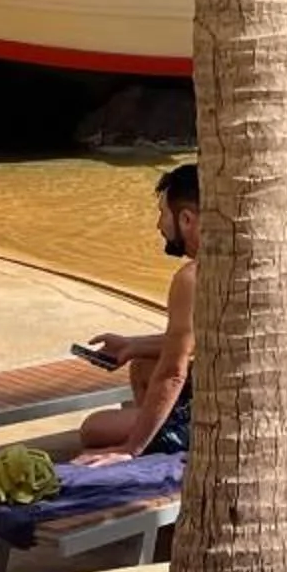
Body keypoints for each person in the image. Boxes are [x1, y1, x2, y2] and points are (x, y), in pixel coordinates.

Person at [77, 163, 196, 464]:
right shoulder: (241, 259)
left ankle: (159, 438)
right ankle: (156, 429)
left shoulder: (192, 278)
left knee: (94, 428)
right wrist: (134, 345)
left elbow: (173, 373)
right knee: (142, 365)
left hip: (213, 420)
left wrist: (129, 449)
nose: (159, 225)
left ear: (186, 219)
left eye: (162, 214)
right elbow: (200, 339)